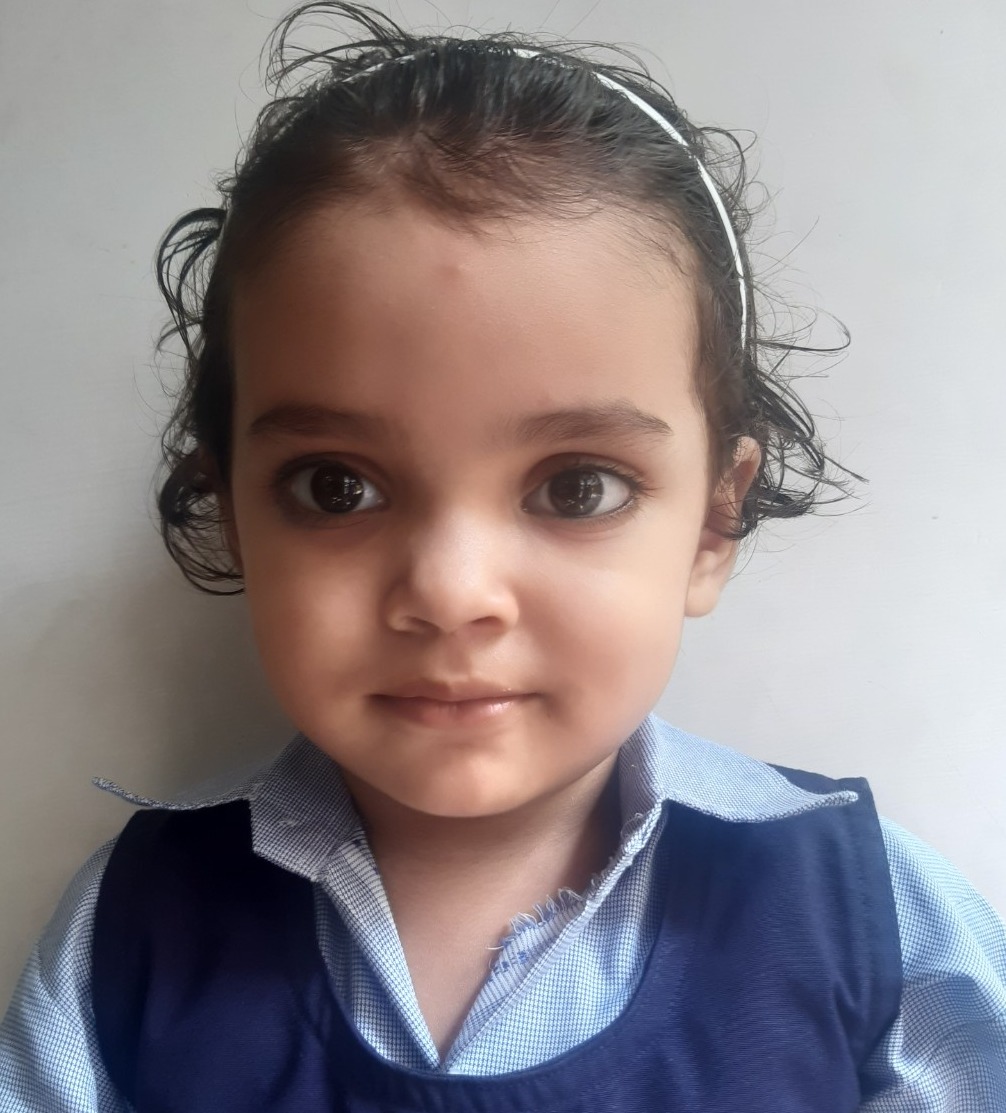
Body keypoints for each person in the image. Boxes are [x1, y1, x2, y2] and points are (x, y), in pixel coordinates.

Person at [2, 2, 1004, 1109]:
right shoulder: (133, 934)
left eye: (577, 488)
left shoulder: (874, 926)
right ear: (231, 508)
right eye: (336, 486)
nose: (451, 593)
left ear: (713, 524)